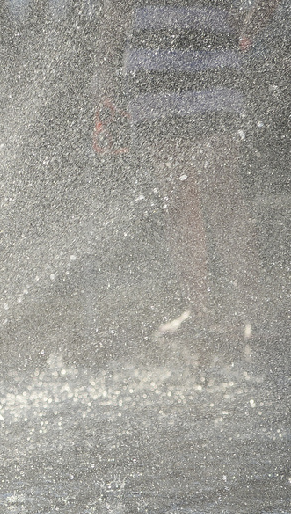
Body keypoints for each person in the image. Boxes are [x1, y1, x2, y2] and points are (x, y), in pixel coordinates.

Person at [93, 0, 278, 360]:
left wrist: (244, 23)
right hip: (158, 65)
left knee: (222, 196)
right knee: (180, 198)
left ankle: (253, 310)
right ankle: (201, 310)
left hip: (207, 58)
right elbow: (115, 7)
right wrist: (101, 73)